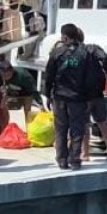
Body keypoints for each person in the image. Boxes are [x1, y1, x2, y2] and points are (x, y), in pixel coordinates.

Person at [43, 23, 100, 170]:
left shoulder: (57, 53)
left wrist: (47, 94)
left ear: (64, 36)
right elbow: (91, 79)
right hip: (78, 98)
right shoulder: (85, 54)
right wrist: (90, 98)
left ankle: (62, 160)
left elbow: (49, 75)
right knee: (77, 129)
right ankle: (75, 159)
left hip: (59, 97)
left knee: (61, 129)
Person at [81, 32, 107, 163]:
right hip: (98, 92)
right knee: (102, 123)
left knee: (85, 124)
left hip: (85, 94)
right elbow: (106, 58)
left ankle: (85, 154)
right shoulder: (94, 48)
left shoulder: (77, 52)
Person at [0, 61, 43, 125]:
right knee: (2, 107)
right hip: (11, 94)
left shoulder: (24, 75)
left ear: (12, 71)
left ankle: (29, 128)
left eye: (8, 74)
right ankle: (5, 128)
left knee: (28, 111)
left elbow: (33, 90)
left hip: (26, 94)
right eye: (4, 74)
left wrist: (40, 103)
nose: (6, 76)